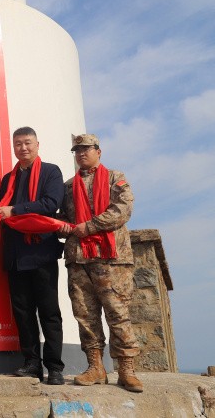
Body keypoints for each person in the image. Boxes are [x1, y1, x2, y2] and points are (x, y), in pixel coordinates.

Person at [58, 134, 142, 392]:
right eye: (77, 150)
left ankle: (126, 370)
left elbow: (122, 210)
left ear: (98, 151)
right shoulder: (68, 186)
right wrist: (59, 226)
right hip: (79, 259)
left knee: (118, 313)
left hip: (111, 258)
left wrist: (90, 226)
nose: (81, 153)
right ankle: (95, 367)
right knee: (85, 315)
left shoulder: (115, 178)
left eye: (86, 149)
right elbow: (65, 218)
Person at [0, 127, 66, 385]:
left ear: (37, 144)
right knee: (23, 312)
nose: (23, 148)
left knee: (49, 311)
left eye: (27, 143)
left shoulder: (50, 172)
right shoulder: (8, 179)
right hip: (15, 254)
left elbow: (50, 204)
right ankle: (32, 363)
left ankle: (55, 367)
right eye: (18, 144)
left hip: (41, 251)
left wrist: (14, 210)